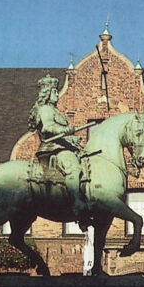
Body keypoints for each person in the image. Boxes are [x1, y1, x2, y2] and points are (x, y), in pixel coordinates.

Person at [28, 74, 91, 226]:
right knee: (74, 169)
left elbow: (61, 135)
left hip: (60, 146)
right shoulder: (45, 109)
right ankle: (76, 203)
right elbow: (48, 127)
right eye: (54, 92)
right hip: (52, 150)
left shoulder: (56, 111)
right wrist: (67, 130)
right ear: (47, 93)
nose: (57, 94)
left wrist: (71, 139)